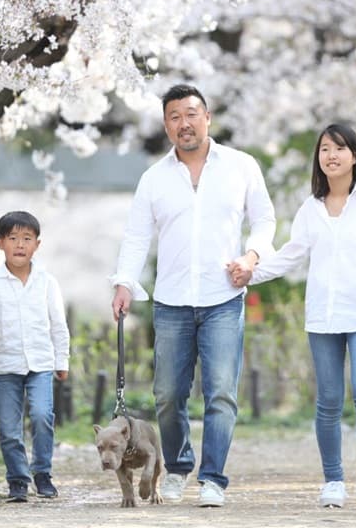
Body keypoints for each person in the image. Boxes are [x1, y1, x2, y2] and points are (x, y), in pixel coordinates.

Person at [110, 84, 276, 508]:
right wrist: (124, 281)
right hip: (171, 302)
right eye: (174, 117)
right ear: (166, 125)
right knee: (168, 392)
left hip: (224, 296)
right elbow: (136, 236)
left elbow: (264, 219)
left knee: (221, 391)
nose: (184, 123)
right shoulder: (154, 178)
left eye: (191, 113)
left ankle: (213, 478)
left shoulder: (240, 166)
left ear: (207, 117)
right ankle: (179, 467)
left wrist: (252, 256)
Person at [233, 123, 356, 509]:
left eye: (339, 148)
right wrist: (252, 272)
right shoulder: (310, 208)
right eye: (324, 149)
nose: (331, 155)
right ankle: (333, 480)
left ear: (355, 155)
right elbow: (291, 254)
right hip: (324, 316)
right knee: (329, 399)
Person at [0, 210, 70, 503]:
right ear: (0, 243)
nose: (19, 245)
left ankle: (42, 473)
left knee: (41, 415)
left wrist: (62, 361)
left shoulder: (47, 282)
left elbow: (58, 324)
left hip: (41, 364)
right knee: (9, 428)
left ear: (37, 244)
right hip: (6, 365)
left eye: (26, 238)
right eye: (12, 238)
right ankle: (18, 480)